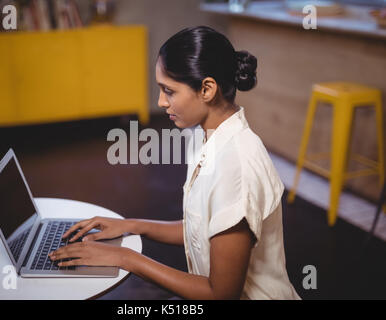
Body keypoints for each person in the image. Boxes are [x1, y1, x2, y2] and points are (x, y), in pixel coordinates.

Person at [49, 26, 301, 300]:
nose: (161, 101)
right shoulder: (209, 136)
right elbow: (202, 228)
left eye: (169, 91)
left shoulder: (235, 167)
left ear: (207, 89)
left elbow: (221, 294)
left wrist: (125, 257)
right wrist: (133, 225)